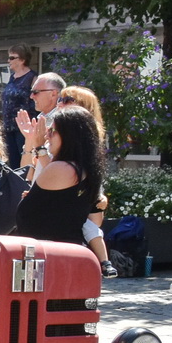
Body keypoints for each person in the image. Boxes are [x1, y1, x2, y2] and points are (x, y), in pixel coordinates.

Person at [14, 107, 105, 244]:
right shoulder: (84, 168)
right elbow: (95, 220)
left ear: (70, 135)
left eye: (52, 131)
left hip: (51, 255)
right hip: (65, 253)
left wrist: (38, 147)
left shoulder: (62, 169)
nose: (46, 136)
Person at [57, 86, 117, 276]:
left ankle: (102, 261)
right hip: (64, 183)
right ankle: (103, 261)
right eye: (61, 98)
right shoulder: (55, 126)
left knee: (89, 223)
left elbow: (92, 168)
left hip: (82, 182)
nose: (60, 102)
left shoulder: (88, 134)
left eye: (67, 99)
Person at [14, 72, 66, 175]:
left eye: (36, 92)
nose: (31, 96)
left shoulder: (64, 122)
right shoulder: (41, 120)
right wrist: (29, 139)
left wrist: (39, 146)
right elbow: (26, 171)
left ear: (53, 94)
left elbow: (55, 173)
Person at [0, 46, 37, 161]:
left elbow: (36, 101)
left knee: (25, 158)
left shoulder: (32, 77)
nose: (8, 61)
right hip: (9, 127)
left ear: (22, 60)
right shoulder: (12, 77)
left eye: (11, 57)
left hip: (23, 127)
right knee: (13, 162)